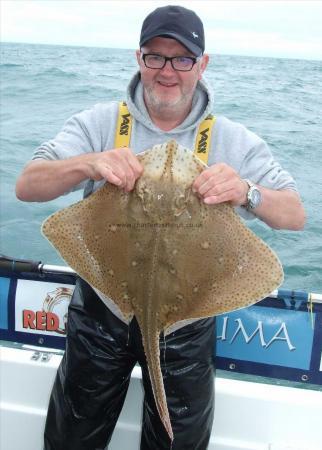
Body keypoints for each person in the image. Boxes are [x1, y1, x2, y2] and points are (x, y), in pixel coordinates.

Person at [15, 5, 305, 450]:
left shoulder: (234, 138)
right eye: (156, 57)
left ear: (202, 65)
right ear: (139, 59)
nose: (168, 70)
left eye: (182, 59)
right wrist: (88, 163)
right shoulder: (100, 123)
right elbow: (28, 185)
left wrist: (246, 190)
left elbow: (294, 215)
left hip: (186, 325)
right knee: (70, 440)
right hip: (101, 314)